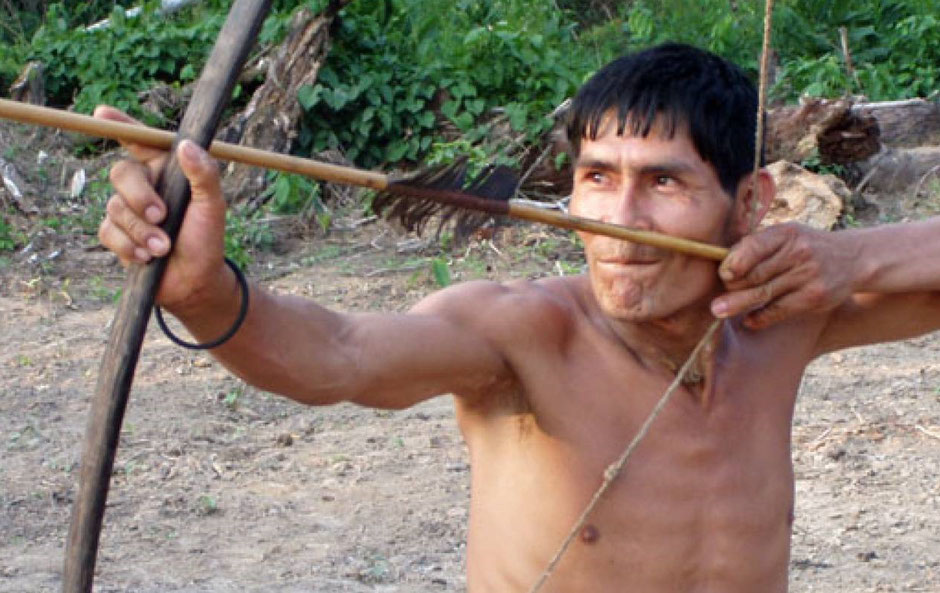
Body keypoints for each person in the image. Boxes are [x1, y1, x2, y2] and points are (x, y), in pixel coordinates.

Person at [97, 43, 940, 592]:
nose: (622, 220)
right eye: (598, 176)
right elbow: (337, 353)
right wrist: (201, 291)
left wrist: (853, 257)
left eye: (665, 182)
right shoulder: (524, 332)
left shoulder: (777, 322)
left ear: (750, 202)